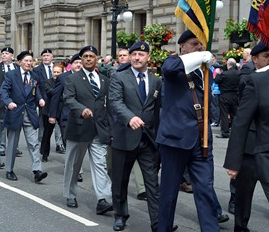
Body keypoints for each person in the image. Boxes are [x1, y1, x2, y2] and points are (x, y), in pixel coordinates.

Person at [156, 30, 220, 232]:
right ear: (182, 46)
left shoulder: (205, 70)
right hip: (175, 139)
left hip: (202, 141)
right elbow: (168, 69)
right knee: (169, 193)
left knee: (206, 191)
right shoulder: (174, 64)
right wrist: (199, 56)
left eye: (201, 45)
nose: (199, 47)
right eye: (194, 44)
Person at [109, 41, 161, 231]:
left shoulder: (156, 81)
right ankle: (120, 215)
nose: (137, 58)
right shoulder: (119, 77)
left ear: (148, 57)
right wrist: (130, 118)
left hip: (148, 139)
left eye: (141, 54)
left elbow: (157, 110)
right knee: (120, 180)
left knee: (153, 183)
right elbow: (115, 102)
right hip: (125, 137)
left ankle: (157, 222)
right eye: (134, 54)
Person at [224, 42, 269, 232]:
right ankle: (240, 227)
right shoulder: (248, 78)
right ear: (254, 59)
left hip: (266, 144)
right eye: (265, 56)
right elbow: (241, 121)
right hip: (250, 145)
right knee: (243, 195)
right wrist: (233, 161)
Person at [62, 45, 112, 215]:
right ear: (81, 60)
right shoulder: (73, 78)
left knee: (100, 164)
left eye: (91, 56)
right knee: (73, 164)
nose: (89, 59)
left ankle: (103, 199)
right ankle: (70, 194)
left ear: (97, 59)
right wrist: (81, 109)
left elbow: (107, 103)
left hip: (99, 129)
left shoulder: (104, 79)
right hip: (79, 128)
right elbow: (68, 98)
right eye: (85, 57)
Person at [0, 51, 48, 183]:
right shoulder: (11, 75)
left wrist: (40, 99)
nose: (28, 63)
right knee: (13, 144)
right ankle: (9, 170)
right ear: (20, 62)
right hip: (15, 112)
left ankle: (37, 170)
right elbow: (4, 90)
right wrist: (8, 102)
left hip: (30, 113)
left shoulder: (34, 75)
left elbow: (35, 90)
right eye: (26, 61)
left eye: (30, 61)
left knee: (34, 143)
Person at [49, 53, 84, 181]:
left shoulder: (88, 77)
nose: (79, 65)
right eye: (76, 63)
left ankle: (77, 170)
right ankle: (74, 169)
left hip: (82, 117)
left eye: (81, 62)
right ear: (71, 65)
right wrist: (52, 115)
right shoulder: (63, 78)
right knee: (69, 144)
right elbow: (56, 97)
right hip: (66, 116)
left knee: (79, 144)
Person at [0, 47, 22, 157]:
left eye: (6, 53)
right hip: (2, 99)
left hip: (16, 100)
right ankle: (1, 146)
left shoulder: (17, 67)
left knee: (15, 124)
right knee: (2, 123)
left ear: (12, 56)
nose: (3, 55)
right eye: (2, 53)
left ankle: (14, 146)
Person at [34, 48, 65, 154]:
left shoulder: (58, 68)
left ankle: (59, 144)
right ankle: (42, 145)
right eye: (44, 55)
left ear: (52, 57)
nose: (46, 57)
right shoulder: (37, 70)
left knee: (59, 125)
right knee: (44, 126)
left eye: (48, 55)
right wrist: (40, 98)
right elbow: (36, 86)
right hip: (45, 101)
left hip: (59, 102)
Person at [40, 63, 64, 162]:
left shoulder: (65, 81)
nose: (56, 74)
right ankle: (44, 154)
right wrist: (59, 93)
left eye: (58, 72)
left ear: (62, 73)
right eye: (54, 72)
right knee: (47, 133)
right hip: (49, 110)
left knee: (65, 134)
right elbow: (49, 92)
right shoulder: (47, 82)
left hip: (62, 110)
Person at [215, 58, 240, 138]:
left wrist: (218, 73)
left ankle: (225, 132)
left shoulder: (224, 74)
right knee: (234, 114)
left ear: (228, 65)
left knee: (224, 114)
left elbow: (216, 81)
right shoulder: (238, 73)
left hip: (225, 95)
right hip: (235, 95)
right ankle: (235, 131)